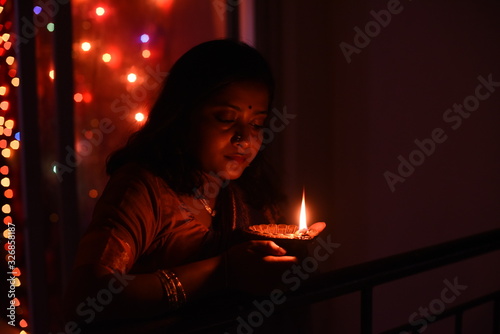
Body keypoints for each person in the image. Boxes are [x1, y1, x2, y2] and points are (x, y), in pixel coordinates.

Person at [64, 39, 324, 332]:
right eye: (226, 118)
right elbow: (86, 297)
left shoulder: (249, 191)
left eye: (257, 124)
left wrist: (290, 259)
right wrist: (222, 272)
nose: (244, 139)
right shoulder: (144, 187)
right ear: (184, 115)